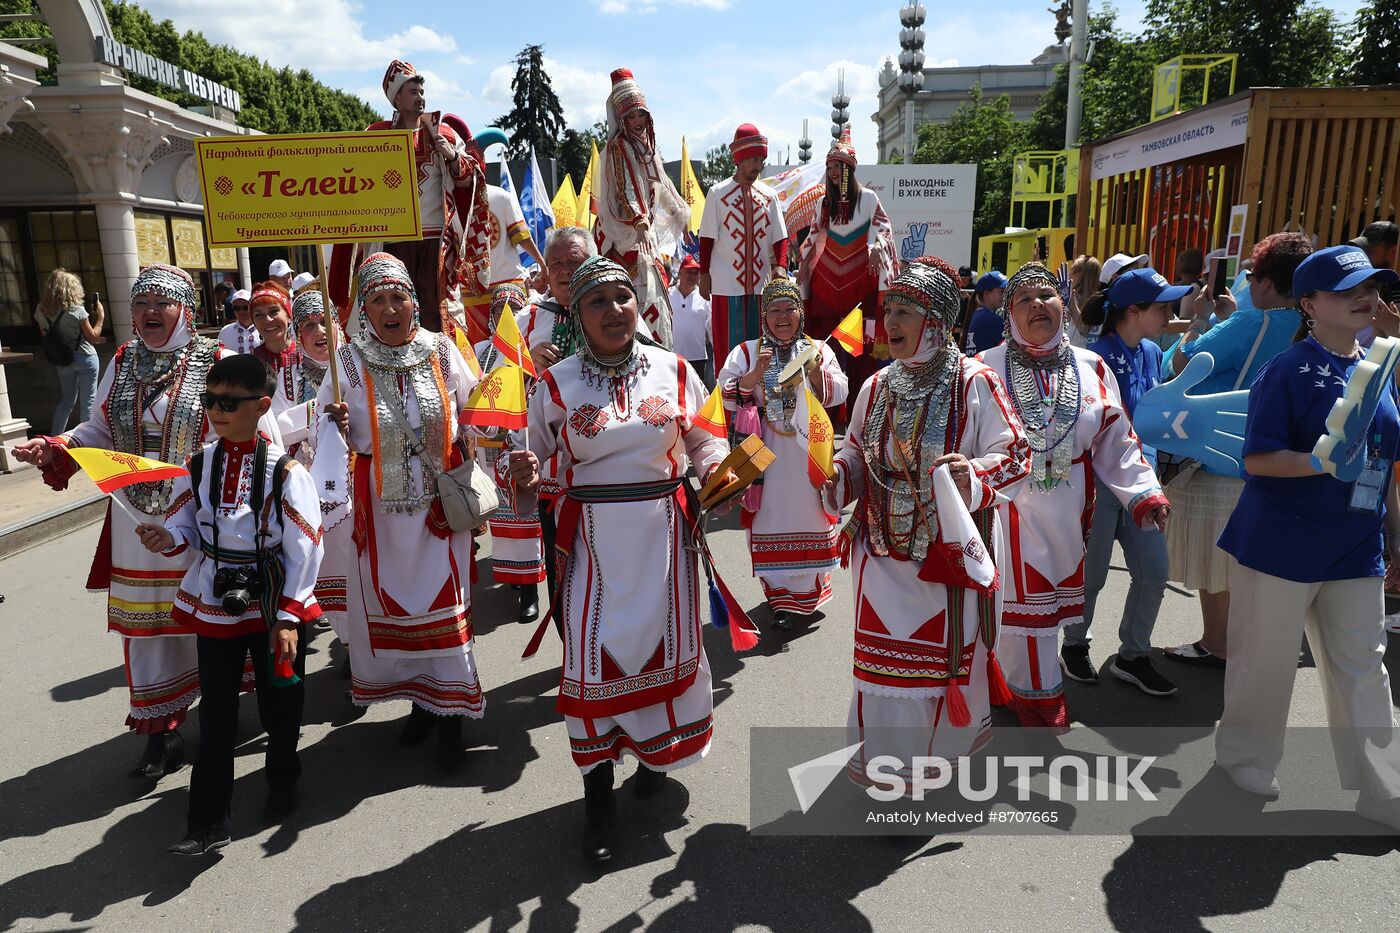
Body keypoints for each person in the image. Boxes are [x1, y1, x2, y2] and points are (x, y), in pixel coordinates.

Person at [13, 264, 279, 778]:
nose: (150, 312)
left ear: (186, 310)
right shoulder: (122, 360)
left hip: (200, 512)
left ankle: (223, 710)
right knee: (147, 629)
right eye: (141, 303)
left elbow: (252, 432)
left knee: (211, 616)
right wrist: (58, 446)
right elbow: (98, 428)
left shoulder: (217, 359)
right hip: (135, 516)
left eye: (163, 302)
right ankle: (162, 731)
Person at [521, 255, 732, 862]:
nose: (614, 310)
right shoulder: (555, 384)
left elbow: (705, 436)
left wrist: (716, 467)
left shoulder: (674, 369)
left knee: (662, 655)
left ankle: (653, 758)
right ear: (576, 315)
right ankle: (597, 804)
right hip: (591, 544)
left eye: (623, 298)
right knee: (593, 664)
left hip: (665, 538)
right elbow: (532, 458)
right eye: (597, 302)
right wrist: (524, 471)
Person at [823, 260, 1030, 790]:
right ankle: (885, 770)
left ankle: (929, 770)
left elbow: (1016, 455)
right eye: (888, 309)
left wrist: (972, 474)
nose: (890, 321)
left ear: (936, 320)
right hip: (880, 554)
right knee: (881, 669)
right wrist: (837, 476)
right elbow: (855, 453)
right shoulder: (875, 386)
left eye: (905, 311)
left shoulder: (974, 382)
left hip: (947, 560)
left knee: (938, 672)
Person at [1213, 245, 1400, 830]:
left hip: (1356, 543)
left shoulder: (1381, 365)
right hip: (1280, 542)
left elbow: (1384, 461)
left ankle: (1385, 788)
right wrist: (1320, 463)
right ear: (1310, 304)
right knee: (1265, 660)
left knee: (1365, 664)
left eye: (1371, 287)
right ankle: (1245, 756)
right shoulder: (1288, 369)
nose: (1365, 298)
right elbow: (1258, 460)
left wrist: (1394, 535)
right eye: (1348, 291)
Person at [134, 354, 323, 855]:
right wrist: (168, 538)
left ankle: (282, 778)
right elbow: (185, 525)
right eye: (210, 401)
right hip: (216, 597)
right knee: (216, 711)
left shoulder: (286, 472)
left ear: (261, 406)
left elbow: (306, 545)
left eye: (228, 403)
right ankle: (205, 823)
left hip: (272, 597)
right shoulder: (198, 464)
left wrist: (289, 617)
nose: (216, 411)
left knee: (280, 701)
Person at [320, 253, 485, 770]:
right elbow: (322, 433)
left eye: (398, 297)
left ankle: (451, 718)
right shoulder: (347, 363)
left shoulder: (442, 350)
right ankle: (423, 703)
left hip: (440, 509)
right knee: (398, 612)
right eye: (377, 299)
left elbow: (475, 405)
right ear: (363, 308)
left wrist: (486, 429)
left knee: (445, 609)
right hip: (382, 513)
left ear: (414, 301)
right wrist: (334, 424)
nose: (390, 309)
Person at [1162, 233, 1312, 667]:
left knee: (1217, 563)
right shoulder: (1309, 328)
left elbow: (1182, 362)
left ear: (1263, 281)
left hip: (1221, 455)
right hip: (1281, 459)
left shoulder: (1250, 322)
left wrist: (1199, 318)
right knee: (1255, 564)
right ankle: (1251, 642)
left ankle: (1217, 642)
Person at [1046, 268, 1179, 702]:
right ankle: (1074, 645)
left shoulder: (1152, 352)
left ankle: (1133, 656)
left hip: (1142, 484)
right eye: (1162, 307)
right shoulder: (1093, 358)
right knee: (1093, 575)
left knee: (1155, 570)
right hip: (1099, 485)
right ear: (1133, 311)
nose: (1169, 315)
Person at [718, 278, 847, 631]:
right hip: (765, 454)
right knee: (768, 518)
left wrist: (816, 370)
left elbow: (840, 391)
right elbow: (724, 394)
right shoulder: (747, 351)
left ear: (801, 312)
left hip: (808, 450)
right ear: (764, 317)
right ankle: (779, 598)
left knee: (812, 517)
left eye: (790, 308)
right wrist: (754, 375)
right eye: (774, 309)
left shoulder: (818, 348)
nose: (782, 315)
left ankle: (810, 593)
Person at [348, 60, 492, 334]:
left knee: (434, 308)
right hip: (393, 238)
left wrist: (451, 156)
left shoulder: (443, 133)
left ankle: (440, 357)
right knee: (394, 302)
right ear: (397, 98)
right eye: (413, 92)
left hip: (435, 239)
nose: (420, 97)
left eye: (422, 92)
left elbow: (470, 180)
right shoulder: (376, 136)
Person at [275, 287, 352, 642]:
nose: (319, 331)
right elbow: (275, 428)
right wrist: (318, 414)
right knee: (328, 563)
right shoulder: (288, 377)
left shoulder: (356, 363)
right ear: (298, 335)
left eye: (325, 322)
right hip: (313, 487)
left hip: (362, 480)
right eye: (308, 325)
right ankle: (344, 635)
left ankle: (360, 644)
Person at [595, 67, 690, 349]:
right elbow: (626, 189)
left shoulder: (647, 149)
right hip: (623, 240)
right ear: (621, 118)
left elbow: (661, 185)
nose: (637, 121)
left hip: (643, 241)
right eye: (630, 116)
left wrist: (679, 212)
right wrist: (640, 222)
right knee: (638, 305)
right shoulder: (618, 148)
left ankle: (659, 359)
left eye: (641, 114)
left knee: (657, 305)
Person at [473, 282, 545, 623]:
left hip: (518, 441)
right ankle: (513, 575)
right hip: (487, 447)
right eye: (499, 311)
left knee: (523, 515)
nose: (506, 317)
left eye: (513, 310)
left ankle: (529, 587)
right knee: (500, 518)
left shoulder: (528, 347)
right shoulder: (480, 350)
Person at [798, 128, 898, 346]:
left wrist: (878, 248)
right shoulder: (824, 203)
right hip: (826, 280)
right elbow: (814, 236)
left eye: (837, 166)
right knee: (826, 342)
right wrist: (804, 264)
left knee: (856, 345)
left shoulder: (868, 198)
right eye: (829, 167)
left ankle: (856, 370)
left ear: (849, 168)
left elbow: (884, 229)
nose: (832, 171)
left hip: (860, 278)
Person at [699, 124, 789, 364]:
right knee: (728, 352)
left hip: (761, 287)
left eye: (760, 160)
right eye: (752, 160)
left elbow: (780, 237)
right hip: (725, 287)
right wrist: (704, 274)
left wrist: (781, 267)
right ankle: (727, 389)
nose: (757, 166)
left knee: (760, 350)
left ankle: (760, 390)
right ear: (739, 159)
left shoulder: (769, 195)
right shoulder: (717, 193)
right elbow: (706, 237)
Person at [34, 268, 104, 434]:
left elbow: (45, 334)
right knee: (88, 402)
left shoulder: (41, 311)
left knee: (66, 401)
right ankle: (86, 440)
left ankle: (54, 437)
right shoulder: (77, 310)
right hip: (86, 357)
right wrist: (100, 317)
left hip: (63, 359)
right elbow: (93, 337)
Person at [669, 255, 713, 387]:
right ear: (680, 272)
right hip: (672, 357)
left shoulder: (705, 297)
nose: (693, 276)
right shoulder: (668, 294)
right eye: (689, 271)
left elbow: (712, 329)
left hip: (698, 358)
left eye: (696, 272)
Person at [963, 271, 1007, 355]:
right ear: (986, 293)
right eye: (1001, 291)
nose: (1005, 295)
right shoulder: (990, 319)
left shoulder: (979, 314)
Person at [218, 289, 261, 355]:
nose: (241, 311)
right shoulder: (225, 332)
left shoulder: (263, 329)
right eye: (236, 308)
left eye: (245, 308)